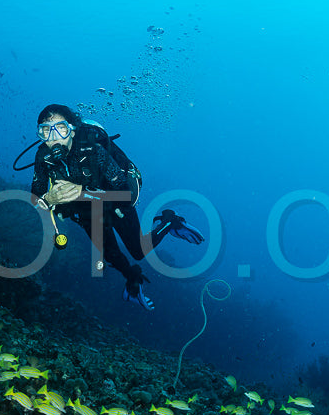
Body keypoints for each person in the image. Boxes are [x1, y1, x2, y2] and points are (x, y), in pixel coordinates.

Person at [29, 104, 204, 310]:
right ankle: (132, 281)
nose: (54, 137)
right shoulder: (43, 157)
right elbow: (36, 198)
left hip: (115, 205)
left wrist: (82, 192)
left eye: (61, 128)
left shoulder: (93, 150)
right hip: (86, 213)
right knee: (110, 254)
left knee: (138, 250)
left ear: (73, 129)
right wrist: (48, 198)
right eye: (45, 130)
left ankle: (171, 222)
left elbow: (125, 195)